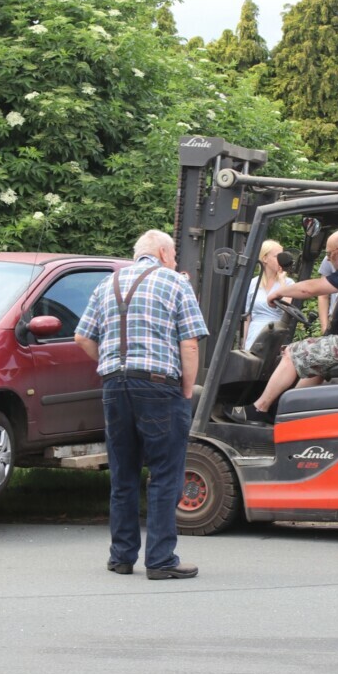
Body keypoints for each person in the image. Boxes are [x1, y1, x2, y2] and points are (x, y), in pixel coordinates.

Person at [74, 230, 209, 579]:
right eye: (175, 253)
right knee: (165, 474)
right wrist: (187, 389)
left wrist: (109, 363)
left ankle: (121, 557)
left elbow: (81, 336)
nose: (177, 260)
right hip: (159, 385)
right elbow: (190, 344)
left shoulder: (108, 284)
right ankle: (161, 560)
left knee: (123, 475)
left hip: (114, 385)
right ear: (163, 252)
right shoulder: (176, 283)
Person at [230, 225, 338, 422]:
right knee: (316, 363)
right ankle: (288, 413)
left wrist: (279, 292)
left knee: (293, 352)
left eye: (329, 255)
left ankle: (259, 408)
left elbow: (312, 289)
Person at [242, 240, 295, 349]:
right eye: (277, 257)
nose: (280, 261)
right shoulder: (253, 283)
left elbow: (286, 310)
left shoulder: (288, 283)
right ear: (265, 258)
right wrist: (244, 344)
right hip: (255, 334)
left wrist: (282, 282)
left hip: (276, 333)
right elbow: (248, 317)